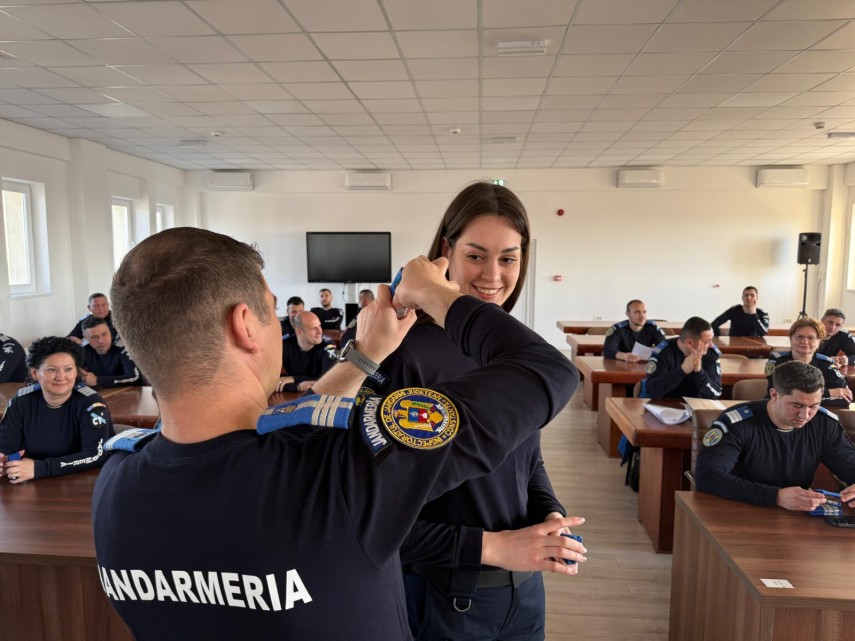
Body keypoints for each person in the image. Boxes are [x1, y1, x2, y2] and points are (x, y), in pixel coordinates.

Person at [90, 227, 582, 641]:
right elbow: (548, 371)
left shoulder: (115, 483)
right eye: (270, 308)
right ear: (245, 325)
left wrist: (362, 357)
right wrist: (436, 294)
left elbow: (278, 433)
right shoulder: (343, 475)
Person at [372, 182, 579, 641]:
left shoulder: (511, 346)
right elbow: (375, 514)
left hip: (524, 595)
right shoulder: (409, 353)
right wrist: (493, 547)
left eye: (508, 258)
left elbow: (527, 459)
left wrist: (549, 515)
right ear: (445, 252)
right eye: (476, 255)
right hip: (443, 597)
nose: (493, 274)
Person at [696, 360, 855, 510]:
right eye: (797, 405)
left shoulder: (825, 424)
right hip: (738, 509)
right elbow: (707, 476)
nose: (805, 415)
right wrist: (776, 496)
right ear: (774, 395)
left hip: (796, 516)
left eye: (814, 406)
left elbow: (850, 466)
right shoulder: (737, 423)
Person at [0, 336, 112, 483]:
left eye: (68, 369)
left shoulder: (92, 404)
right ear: (35, 373)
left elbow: (96, 455)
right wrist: (3, 459)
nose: (61, 377)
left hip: (83, 482)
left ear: (76, 372)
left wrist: (41, 468)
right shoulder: (20, 401)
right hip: (33, 482)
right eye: (51, 370)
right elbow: (6, 445)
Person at [764, 317, 851, 408]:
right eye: (800, 337)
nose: (805, 342)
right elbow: (780, 394)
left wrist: (801, 400)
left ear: (819, 342)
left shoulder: (827, 364)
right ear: (791, 339)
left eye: (811, 338)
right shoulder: (777, 361)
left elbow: (845, 398)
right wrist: (829, 393)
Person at [641, 317, 722, 399]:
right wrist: (681, 371)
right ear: (689, 343)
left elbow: (716, 394)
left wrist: (699, 372)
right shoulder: (662, 352)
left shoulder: (710, 354)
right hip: (666, 405)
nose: (711, 345)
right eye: (706, 342)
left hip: (697, 406)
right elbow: (652, 391)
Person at [277, 310, 338, 392]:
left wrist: (294, 379)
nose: (320, 332)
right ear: (299, 332)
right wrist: (298, 387)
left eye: (319, 326)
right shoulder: (284, 344)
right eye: (314, 328)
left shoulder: (327, 344)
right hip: (290, 398)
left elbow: (329, 380)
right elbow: (274, 383)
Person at [80, 316, 142, 388]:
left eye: (104, 334)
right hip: (102, 393)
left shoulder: (122, 347)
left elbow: (135, 377)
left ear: (109, 330)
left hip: (129, 391)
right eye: (94, 337)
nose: (101, 340)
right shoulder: (83, 350)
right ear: (85, 337)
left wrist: (97, 380)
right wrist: (80, 374)